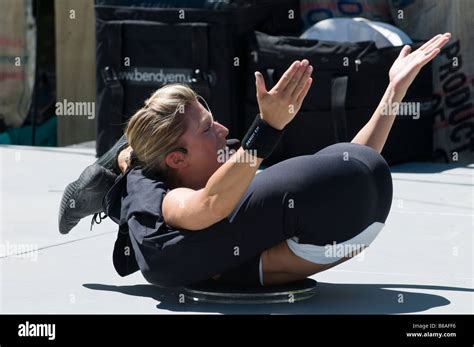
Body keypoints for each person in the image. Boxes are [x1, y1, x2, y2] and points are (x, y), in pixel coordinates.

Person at [59, 33, 451, 287]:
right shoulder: (166, 205)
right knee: (147, 183)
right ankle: (127, 163)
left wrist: (394, 90)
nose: (223, 129)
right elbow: (209, 205)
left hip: (243, 233)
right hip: (178, 226)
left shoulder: (232, 231)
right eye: (207, 128)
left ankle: (128, 158)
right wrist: (266, 129)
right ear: (178, 159)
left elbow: (360, 160)